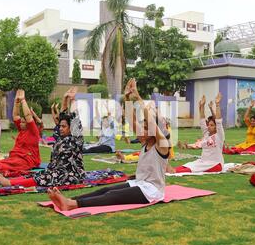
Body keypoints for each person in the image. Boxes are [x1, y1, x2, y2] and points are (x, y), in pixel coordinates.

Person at [46, 78, 171, 211]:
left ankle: (72, 205)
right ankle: (70, 200)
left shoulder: (162, 146)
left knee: (113, 195)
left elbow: (151, 123)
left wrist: (138, 97)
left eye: (146, 128)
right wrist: (127, 97)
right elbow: (131, 118)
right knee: (105, 190)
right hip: (138, 183)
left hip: (152, 191)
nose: (142, 129)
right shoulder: (145, 142)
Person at [0, 87, 85, 187]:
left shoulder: (76, 139)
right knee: (37, 174)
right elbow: (63, 116)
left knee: (43, 178)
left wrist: (73, 100)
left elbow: (75, 118)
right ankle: (13, 180)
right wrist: (65, 99)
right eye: (60, 126)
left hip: (71, 175)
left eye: (63, 126)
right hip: (55, 170)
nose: (60, 128)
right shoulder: (61, 137)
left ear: (72, 128)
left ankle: (10, 183)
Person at [167, 93, 224, 174]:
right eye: (209, 125)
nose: (209, 126)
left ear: (216, 127)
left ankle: (172, 171)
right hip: (203, 162)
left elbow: (218, 121)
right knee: (189, 165)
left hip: (215, 164)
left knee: (192, 168)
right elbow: (202, 121)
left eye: (212, 125)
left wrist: (217, 104)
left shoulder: (219, 136)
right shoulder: (206, 134)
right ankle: (169, 169)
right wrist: (202, 106)